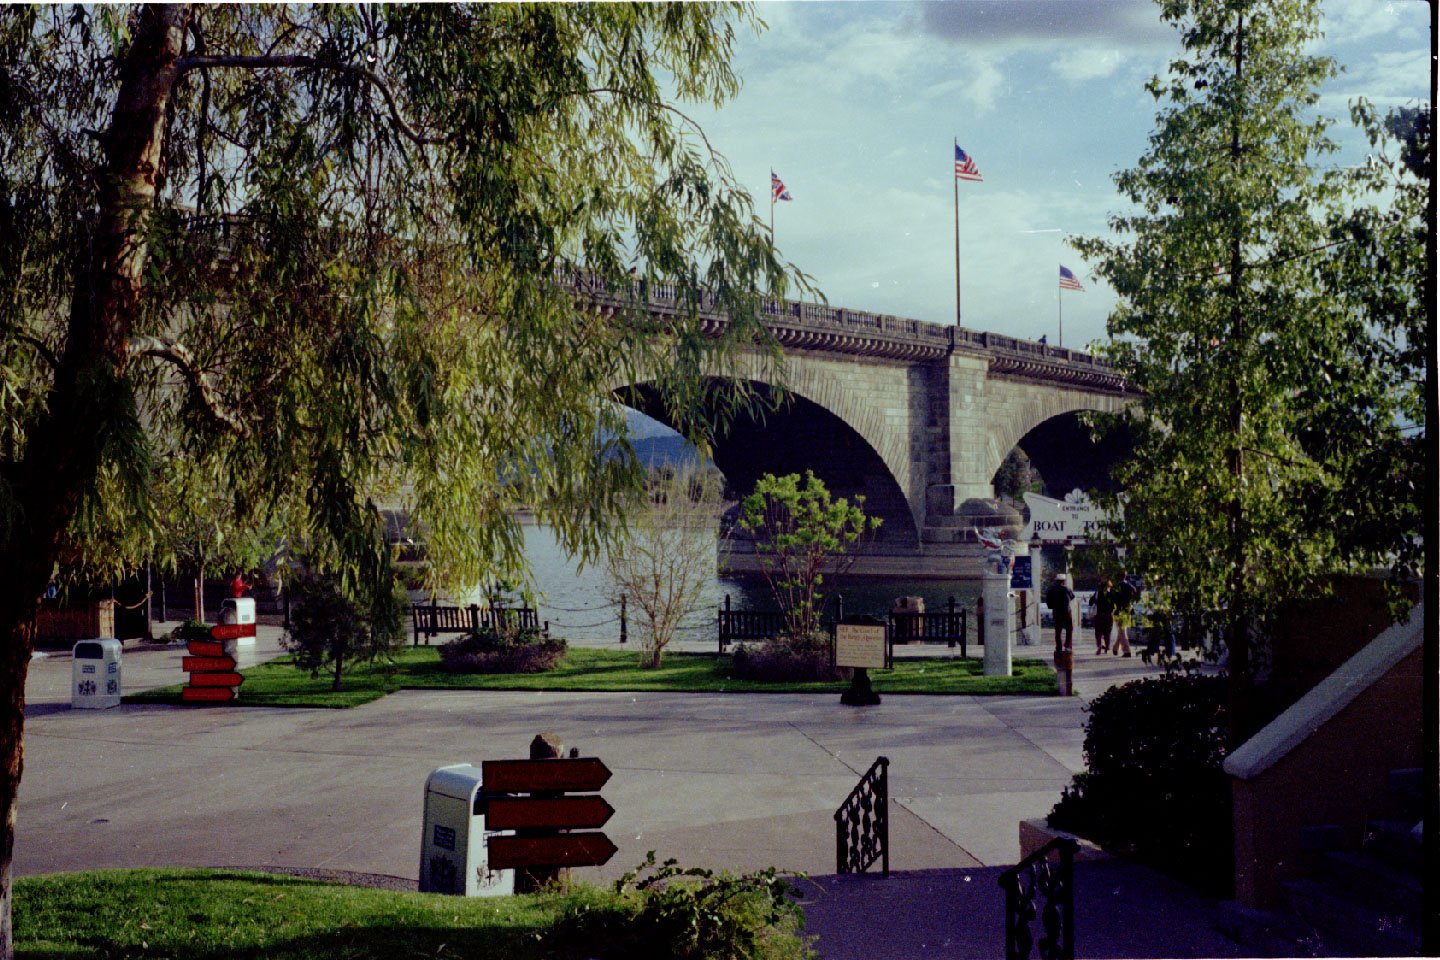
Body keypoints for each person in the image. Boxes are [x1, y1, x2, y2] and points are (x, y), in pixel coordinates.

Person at [1044, 575, 1074, 653]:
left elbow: (1048, 601)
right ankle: (1068, 645)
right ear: (1063, 581)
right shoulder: (1066, 589)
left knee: (1058, 630)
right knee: (1069, 629)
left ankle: (1059, 646)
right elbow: (1072, 597)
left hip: (1056, 612)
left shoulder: (1051, 590)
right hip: (1066, 612)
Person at [1111, 576, 1137, 657]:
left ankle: (1126, 651)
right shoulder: (1130, 586)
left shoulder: (1116, 587)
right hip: (1127, 610)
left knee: (1121, 630)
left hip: (1118, 610)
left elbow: (1112, 599)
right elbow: (1135, 593)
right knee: (1122, 630)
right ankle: (1115, 648)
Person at [1093, 577, 1115, 654]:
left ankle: (1099, 645)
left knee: (1098, 632)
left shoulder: (1097, 593)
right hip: (1109, 615)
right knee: (1108, 632)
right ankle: (1107, 647)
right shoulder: (1111, 594)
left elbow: (1091, 602)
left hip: (1099, 615)